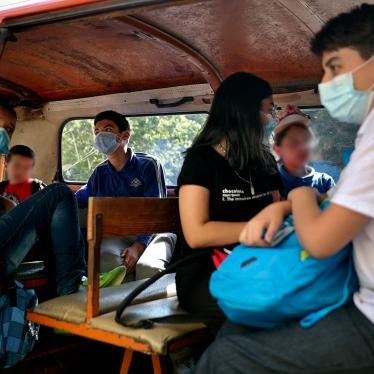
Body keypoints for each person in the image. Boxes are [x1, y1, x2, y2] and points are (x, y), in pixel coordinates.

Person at [195, 3, 374, 373]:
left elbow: (319, 238)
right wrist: (285, 209)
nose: (325, 83)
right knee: (236, 326)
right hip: (223, 263)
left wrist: (296, 199)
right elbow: (196, 234)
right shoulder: (202, 160)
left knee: (223, 358)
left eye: (335, 67)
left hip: (365, 312)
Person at [176, 72, 283, 331]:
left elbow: (278, 213)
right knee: (269, 312)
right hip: (205, 272)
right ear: (245, 112)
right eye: (269, 110)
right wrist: (255, 229)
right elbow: (196, 234)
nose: (272, 119)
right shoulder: (200, 161)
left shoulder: (265, 161)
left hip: (256, 263)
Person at [76, 110, 176, 277]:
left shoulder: (149, 165)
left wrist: (139, 245)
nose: (100, 136)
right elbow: (82, 196)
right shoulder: (100, 173)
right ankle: (118, 304)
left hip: (156, 231)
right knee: (110, 264)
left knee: (148, 268)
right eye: (97, 132)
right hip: (118, 232)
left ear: (125, 136)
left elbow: (157, 212)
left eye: (107, 130)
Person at [0, 105, 85, 296]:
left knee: (59, 196)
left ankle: (72, 289)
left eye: (10, 129)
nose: (4, 133)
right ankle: (71, 292)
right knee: (60, 192)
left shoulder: (36, 187)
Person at [273, 104, 335, 198]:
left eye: (306, 140)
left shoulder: (325, 181)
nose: (302, 147)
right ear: (278, 150)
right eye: (294, 143)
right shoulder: (273, 183)